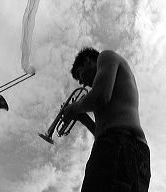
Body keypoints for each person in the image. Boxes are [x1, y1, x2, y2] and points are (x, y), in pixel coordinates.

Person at [62, 47, 151, 192]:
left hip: (118, 145)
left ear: (87, 61)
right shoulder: (106, 86)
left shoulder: (106, 56)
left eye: (80, 74)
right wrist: (83, 118)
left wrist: (74, 107)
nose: (83, 83)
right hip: (135, 153)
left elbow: (101, 96)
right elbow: (101, 133)